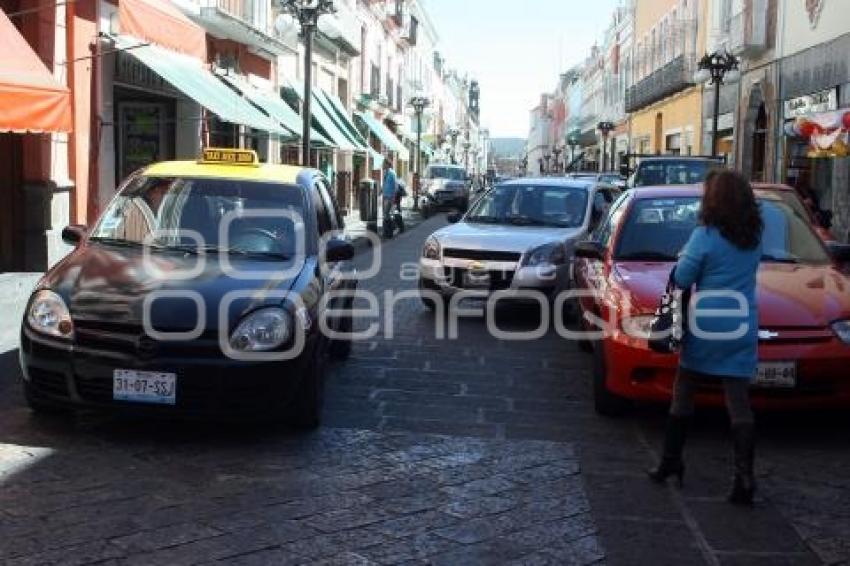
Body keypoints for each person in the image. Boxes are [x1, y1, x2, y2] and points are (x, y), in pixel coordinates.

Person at [647, 169, 764, 506]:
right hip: (742, 321)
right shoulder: (754, 235)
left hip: (709, 323)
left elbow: (683, 277)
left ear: (712, 200)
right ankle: (744, 477)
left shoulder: (705, 236)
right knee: (738, 402)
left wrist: (683, 258)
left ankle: (671, 462)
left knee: (683, 391)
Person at [382, 157, 397, 238]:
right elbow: (385, 183)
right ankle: (387, 232)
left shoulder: (392, 173)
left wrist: (393, 197)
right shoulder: (386, 173)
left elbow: (395, 185)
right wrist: (381, 191)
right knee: (385, 214)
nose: (382, 165)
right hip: (385, 195)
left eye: (384, 163)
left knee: (387, 214)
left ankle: (389, 232)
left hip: (390, 196)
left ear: (387, 164)